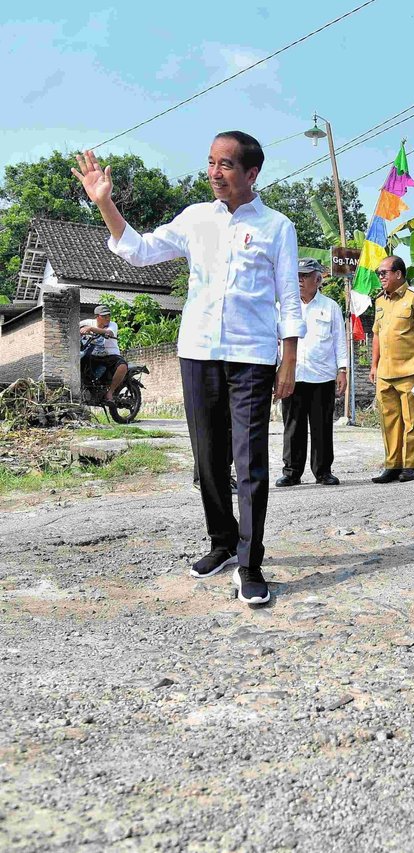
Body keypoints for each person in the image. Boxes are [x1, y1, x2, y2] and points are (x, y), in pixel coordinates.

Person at [72, 133, 305, 605]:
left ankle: (250, 562)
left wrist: (289, 362)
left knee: (250, 461)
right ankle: (222, 542)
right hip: (198, 352)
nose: (214, 172)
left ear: (251, 174)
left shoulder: (278, 227)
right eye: (211, 162)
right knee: (207, 457)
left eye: (225, 165)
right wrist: (105, 203)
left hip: (252, 359)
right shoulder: (196, 218)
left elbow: (289, 300)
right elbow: (139, 249)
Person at [275, 258, 347, 487]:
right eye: (297, 275)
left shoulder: (330, 307)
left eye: (304, 276)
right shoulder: (283, 307)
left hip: (322, 376)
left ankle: (323, 471)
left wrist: (342, 369)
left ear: (317, 279)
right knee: (293, 426)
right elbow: (274, 341)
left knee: (322, 427)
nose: (299, 280)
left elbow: (340, 341)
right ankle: (291, 472)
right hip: (292, 376)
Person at [369, 256, 414, 483]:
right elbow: (376, 334)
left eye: (384, 272)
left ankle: (409, 466)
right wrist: (374, 365)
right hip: (385, 373)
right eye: (379, 273)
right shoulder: (380, 302)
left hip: (410, 371)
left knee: (412, 421)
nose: (381, 277)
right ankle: (392, 465)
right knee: (389, 422)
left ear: (398, 274)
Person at [80, 305, 128, 403]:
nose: (107, 318)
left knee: (122, 366)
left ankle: (110, 392)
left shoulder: (112, 324)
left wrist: (91, 329)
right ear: (97, 316)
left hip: (110, 354)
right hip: (93, 354)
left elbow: (109, 333)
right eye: (104, 316)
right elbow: (73, 326)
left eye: (109, 316)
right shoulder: (87, 323)